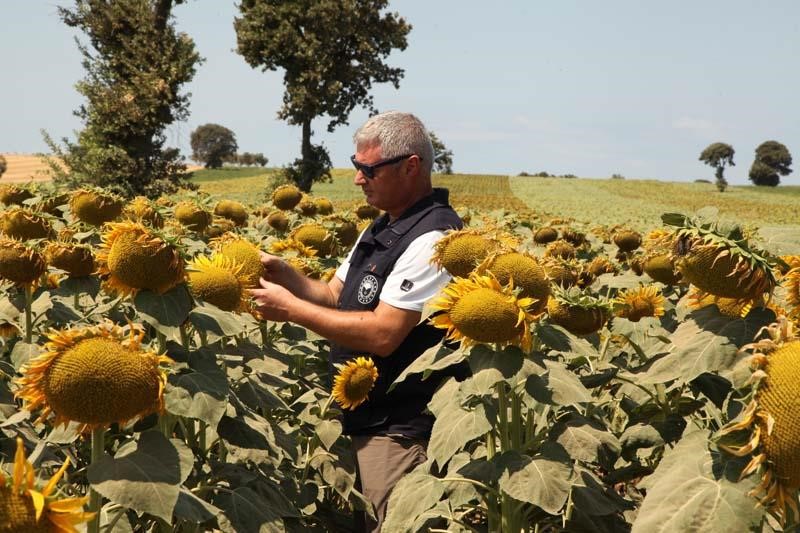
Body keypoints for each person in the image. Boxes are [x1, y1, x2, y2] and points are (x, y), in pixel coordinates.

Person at [250, 111, 463, 532]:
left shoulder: (435, 240)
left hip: (398, 430)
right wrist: (284, 274)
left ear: (410, 166)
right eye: (356, 166)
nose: (358, 179)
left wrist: (290, 310)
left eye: (368, 169)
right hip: (363, 418)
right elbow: (332, 295)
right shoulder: (384, 227)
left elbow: (384, 334)